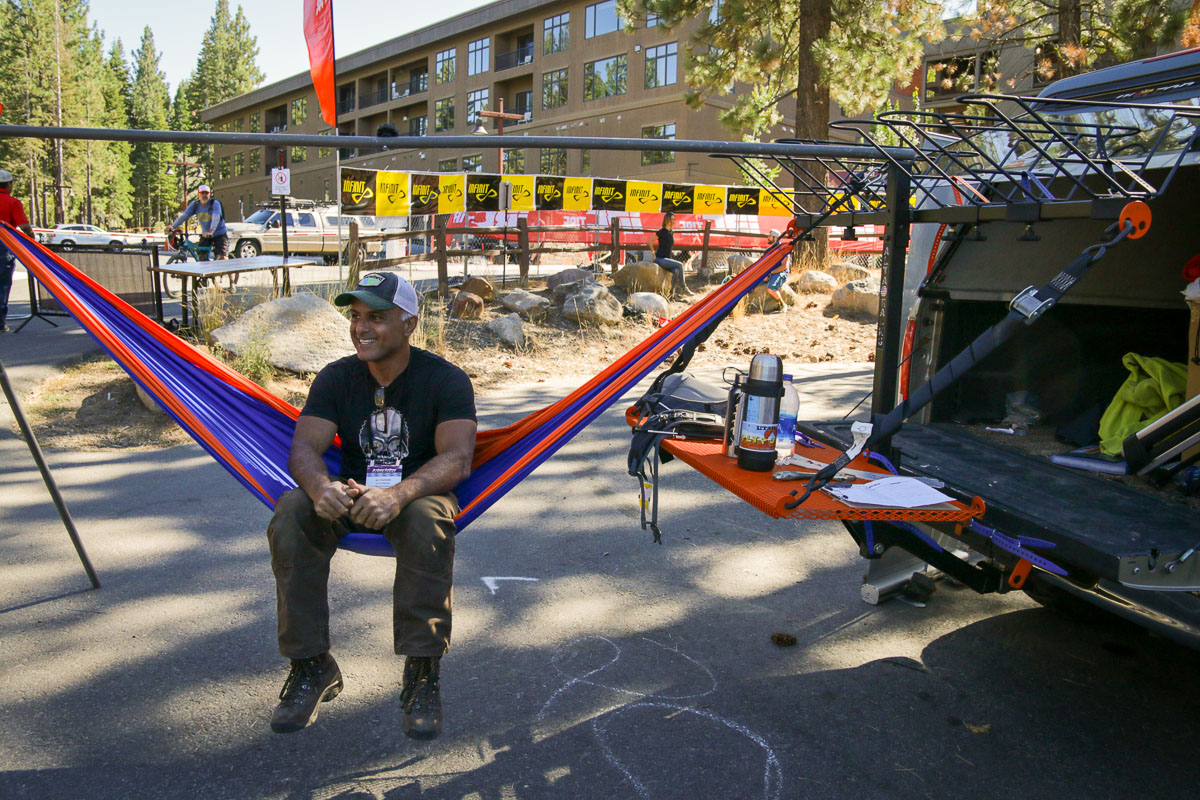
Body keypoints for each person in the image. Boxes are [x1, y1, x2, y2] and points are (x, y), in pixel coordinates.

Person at [266, 271, 477, 740]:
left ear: (410, 324)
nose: (362, 327)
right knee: (290, 513)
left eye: (377, 318)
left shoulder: (445, 380)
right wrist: (322, 489)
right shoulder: (337, 377)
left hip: (418, 494)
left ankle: (422, 672)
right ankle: (312, 666)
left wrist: (399, 494)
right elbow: (303, 448)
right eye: (356, 316)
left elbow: (458, 457)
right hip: (353, 493)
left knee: (426, 523)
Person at [0, 168, 35, 333]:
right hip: (3, 247)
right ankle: (0, 324)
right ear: (8, 184)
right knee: (2, 285)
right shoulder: (12, 202)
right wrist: (31, 235)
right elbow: (23, 225)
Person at [167, 184, 227, 260]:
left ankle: (226, 269)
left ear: (210, 194)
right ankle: (208, 270)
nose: (204, 195)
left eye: (206, 193)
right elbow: (184, 216)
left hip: (219, 233)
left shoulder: (215, 204)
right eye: (202, 193)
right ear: (199, 194)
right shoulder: (195, 205)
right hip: (206, 235)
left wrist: (211, 231)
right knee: (201, 257)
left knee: (222, 257)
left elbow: (216, 218)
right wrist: (173, 226)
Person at [654, 212, 695, 299]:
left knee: (676, 271)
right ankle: (684, 288)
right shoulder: (661, 232)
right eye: (672, 219)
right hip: (660, 259)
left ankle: (671, 295)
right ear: (667, 220)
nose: (673, 221)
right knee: (680, 264)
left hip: (667, 259)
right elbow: (650, 242)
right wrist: (653, 254)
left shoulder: (671, 232)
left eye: (674, 219)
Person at [764, 229, 792, 313]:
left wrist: (771, 273)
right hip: (770, 273)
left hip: (780, 273)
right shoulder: (769, 250)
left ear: (775, 238)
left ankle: (783, 305)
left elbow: (783, 267)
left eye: (770, 237)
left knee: (770, 289)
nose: (768, 238)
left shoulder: (783, 249)